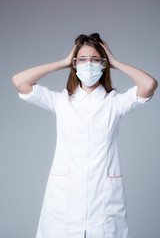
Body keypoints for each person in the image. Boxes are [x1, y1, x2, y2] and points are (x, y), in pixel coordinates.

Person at [12, 33, 158, 238]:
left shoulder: (114, 103)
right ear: (75, 64)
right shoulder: (61, 102)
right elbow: (20, 81)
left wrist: (115, 62)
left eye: (95, 59)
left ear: (103, 64)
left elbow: (149, 85)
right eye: (82, 59)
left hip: (104, 201)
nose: (89, 64)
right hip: (64, 199)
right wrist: (64, 62)